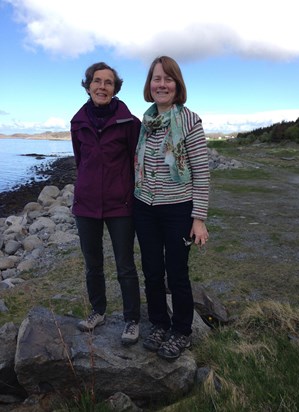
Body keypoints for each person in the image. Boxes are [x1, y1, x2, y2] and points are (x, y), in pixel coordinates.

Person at [134, 56, 210, 360]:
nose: (161, 84)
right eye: (156, 78)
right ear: (149, 85)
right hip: (144, 208)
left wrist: (199, 218)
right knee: (152, 271)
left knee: (177, 273)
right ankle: (158, 324)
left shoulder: (189, 120)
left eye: (168, 79)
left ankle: (181, 331)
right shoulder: (146, 121)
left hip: (178, 209)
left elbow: (202, 171)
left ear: (177, 85)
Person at [71, 62, 141, 345]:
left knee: (125, 265)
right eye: (97, 81)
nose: (102, 86)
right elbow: (80, 161)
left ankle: (132, 319)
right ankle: (97, 311)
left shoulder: (130, 123)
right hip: (86, 205)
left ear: (116, 88)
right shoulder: (77, 122)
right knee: (93, 264)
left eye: (108, 82)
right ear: (88, 86)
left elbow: (136, 164)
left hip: (120, 205)